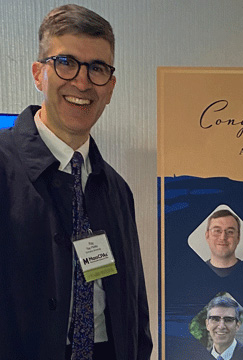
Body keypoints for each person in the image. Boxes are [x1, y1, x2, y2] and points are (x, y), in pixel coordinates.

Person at [0, 4, 152, 360]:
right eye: (66, 63)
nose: (82, 82)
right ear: (39, 74)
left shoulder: (116, 189)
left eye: (97, 68)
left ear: (110, 87)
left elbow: (134, 307)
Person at [205, 210, 241, 277]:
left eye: (230, 232)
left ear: (238, 238)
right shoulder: (195, 273)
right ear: (207, 236)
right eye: (217, 231)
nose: (223, 237)